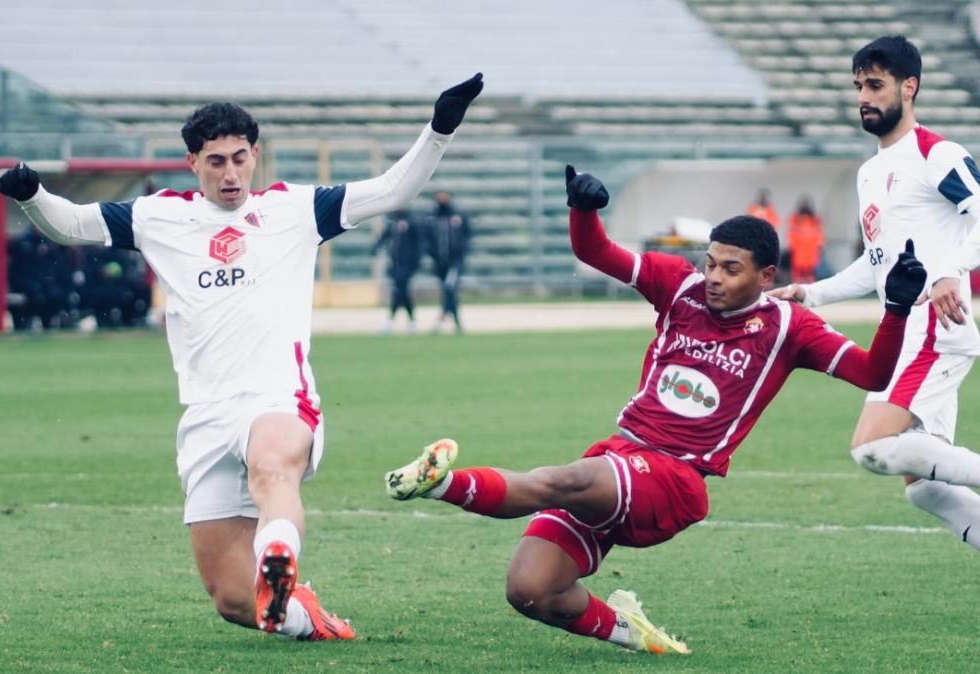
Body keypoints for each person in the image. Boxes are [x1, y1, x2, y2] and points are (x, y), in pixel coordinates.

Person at [0, 73, 484, 641]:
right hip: (204, 415)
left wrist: (441, 125)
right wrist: (31, 194)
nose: (230, 173)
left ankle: (279, 553)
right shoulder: (160, 217)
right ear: (192, 162)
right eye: (216, 161)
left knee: (272, 468)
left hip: (278, 398)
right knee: (232, 599)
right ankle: (308, 617)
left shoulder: (297, 209)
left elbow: (393, 189)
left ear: (256, 156)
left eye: (240, 158)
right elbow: (72, 224)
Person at [384, 166, 924, 655]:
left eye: (731, 269)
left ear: (765, 278)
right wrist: (584, 210)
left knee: (564, 479)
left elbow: (873, 374)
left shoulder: (789, 327)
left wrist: (895, 310)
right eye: (710, 262)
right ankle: (631, 632)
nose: (713, 276)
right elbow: (596, 253)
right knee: (530, 590)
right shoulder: (679, 286)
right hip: (622, 456)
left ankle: (435, 484)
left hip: (675, 478)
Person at [770, 35, 980, 552]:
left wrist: (952, 270)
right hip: (904, 333)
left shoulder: (936, 154)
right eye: (859, 85)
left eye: (876, 85)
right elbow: (876, 263)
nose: (865, 96)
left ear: (909, 88)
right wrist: (811, 294)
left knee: (872, 448)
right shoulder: (870, 173)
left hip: (934, 327)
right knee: (927, 489)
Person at [372, 207, 423, 333]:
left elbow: (420, 242)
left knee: (399, 289)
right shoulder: (392, 221)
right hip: (395, 263)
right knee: (401, 290)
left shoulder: (413, 221)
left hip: (408, 264)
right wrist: (376, 247)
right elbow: (385, 236)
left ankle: (391, 320)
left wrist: (416, 261)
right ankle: (411, 321)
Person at [425, 191, 471, 333]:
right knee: (448, 291)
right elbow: (427, 238)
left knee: (449, 287)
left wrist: (461, 251)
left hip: (454, 262)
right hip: (440, 262)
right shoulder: (432, 218)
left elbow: (467, 235)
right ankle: (457, 323)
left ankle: (442, 320)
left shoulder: (458, 217)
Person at [786, 195, 824, 284]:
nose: (805, 206)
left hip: (811, 245)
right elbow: (791, 230)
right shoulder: (795, 218)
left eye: (807, 204)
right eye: (803, 204)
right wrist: (790, 241)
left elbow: (819, 231)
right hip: (799, 245)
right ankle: (797, 280)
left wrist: (820, 242)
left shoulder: (815, 218)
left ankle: (809, 279)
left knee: (810, 263)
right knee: (798, 263)